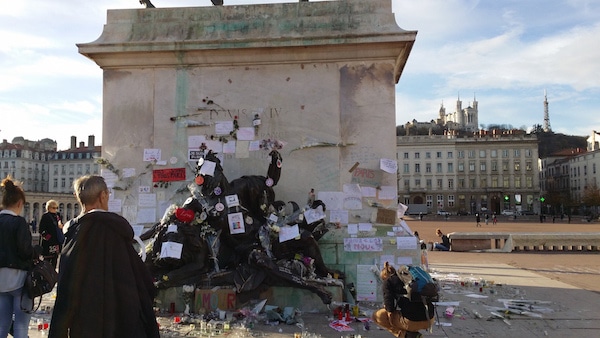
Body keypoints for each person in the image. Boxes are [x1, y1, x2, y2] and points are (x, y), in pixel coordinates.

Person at [49, 175, 159, 338]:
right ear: (103, 196)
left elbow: (65, 286)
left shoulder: (73, 235)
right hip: (122, 321)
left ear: (78, 199)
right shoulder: (118, 232)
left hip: (84, 323)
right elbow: (141, 280)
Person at [0, 176, 36, 338]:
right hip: (19, 280)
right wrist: (38, 250)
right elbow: (25, 251)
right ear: (20, 203)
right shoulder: (19, 223)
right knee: (21, 326)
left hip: (1, 281)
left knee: (2, 324)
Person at [372, 262, 434, 338]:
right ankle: (411, 333)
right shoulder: (407, 278)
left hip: (411, 321)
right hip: (429, 319)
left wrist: (387, 307)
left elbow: (390, 308)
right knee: (409, 311)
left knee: (377, 316)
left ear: (384, 277)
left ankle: (407, 335)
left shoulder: (388, 282)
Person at [39, 200, 64, 269]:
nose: (55, 209)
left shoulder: (57, 215)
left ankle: (53, 276)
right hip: (48, 243)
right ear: (48, 208)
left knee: (55, 260)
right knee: (46, 261)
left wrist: (61, 226)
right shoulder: (45, 216)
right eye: (53, 208)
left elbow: (60, 226)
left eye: (56, 208)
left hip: (56, 242)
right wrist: (49, 238)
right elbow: (41, 230)